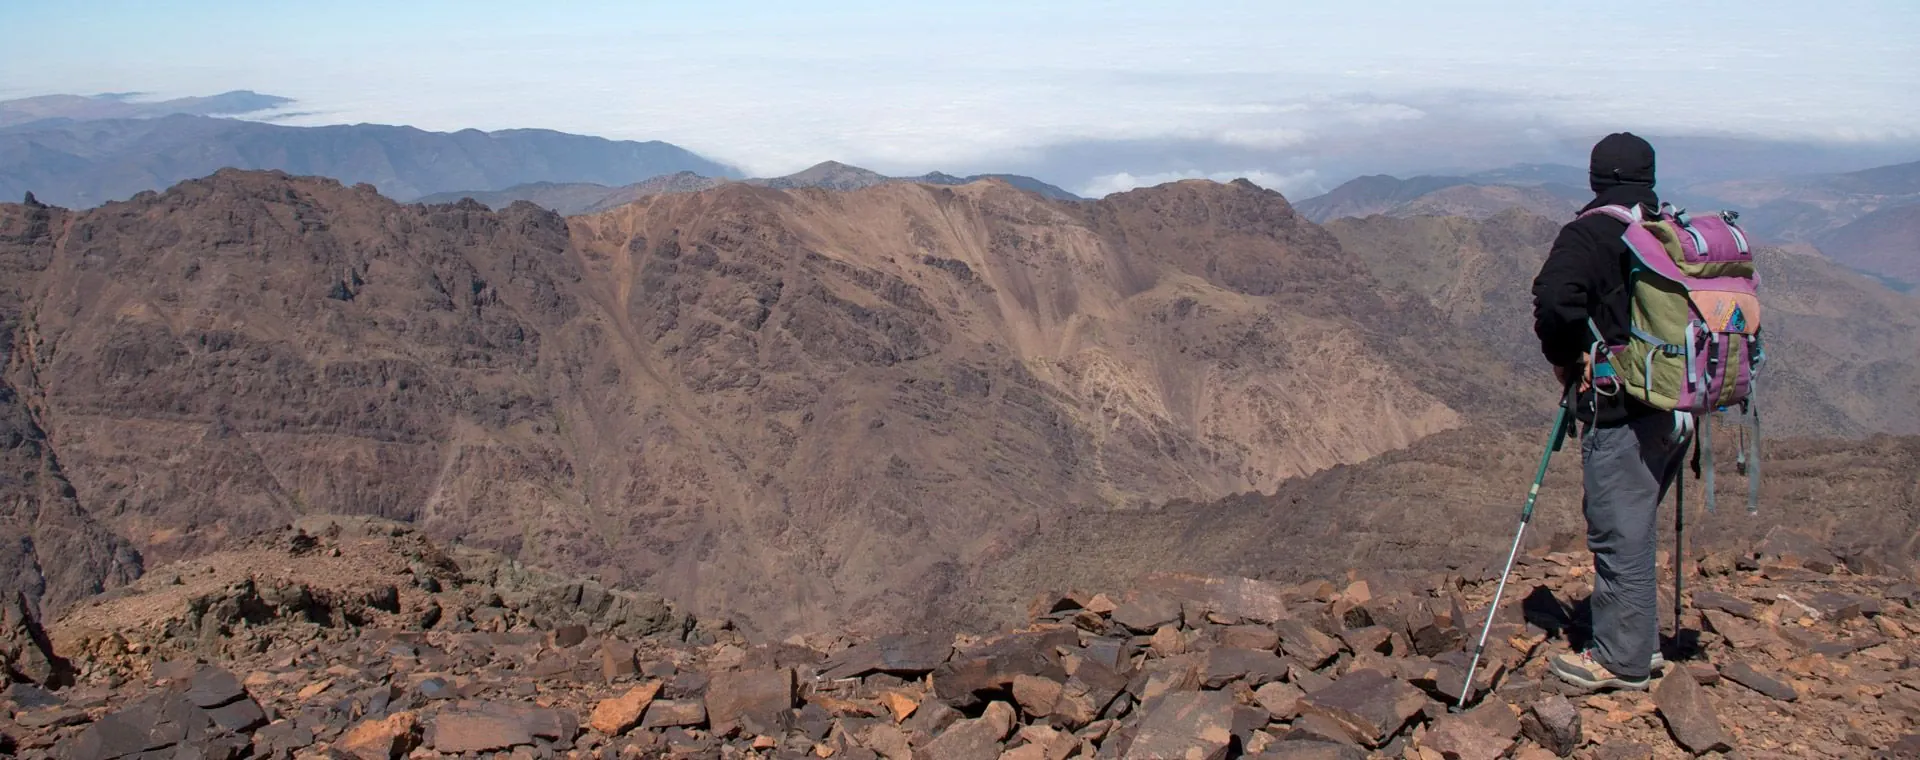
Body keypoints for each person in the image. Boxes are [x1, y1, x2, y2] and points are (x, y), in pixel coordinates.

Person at [1529, 132, 1688, 690]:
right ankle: (1635, 641)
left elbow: (1553, 299)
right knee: (1635, 526)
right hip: (1677, 407)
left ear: (1596, 178)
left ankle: (1621, 660)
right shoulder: (1670, 229)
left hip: (1619, 409)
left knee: (1619, 532)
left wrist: (1561, 357)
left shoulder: (1591, 232)